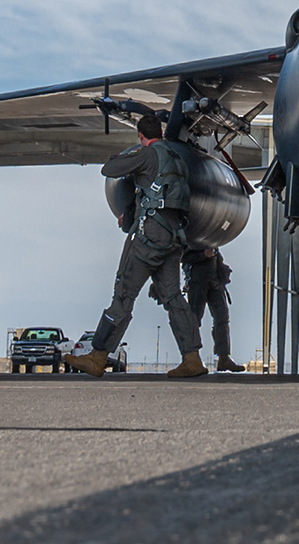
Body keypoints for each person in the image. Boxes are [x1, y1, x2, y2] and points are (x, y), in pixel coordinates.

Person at [64, 113, 206, 379]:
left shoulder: (147, 154)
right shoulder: (176, 158)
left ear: (141, 136)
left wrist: (126, 157)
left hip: (149, 238)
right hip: (174, 237)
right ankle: (192, 358)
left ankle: (97, 357)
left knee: (123, 296)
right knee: (174, 298)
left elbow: (109, 170)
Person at [185, 245, 242, 373]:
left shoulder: (211, 239)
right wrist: (203, 255)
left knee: (222, 318)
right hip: (198, 282)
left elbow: (216, 256)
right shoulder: (193, 237)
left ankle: (224, 358)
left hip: (214, 281)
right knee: (194, 319)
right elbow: (184, 257)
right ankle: (191, 357)